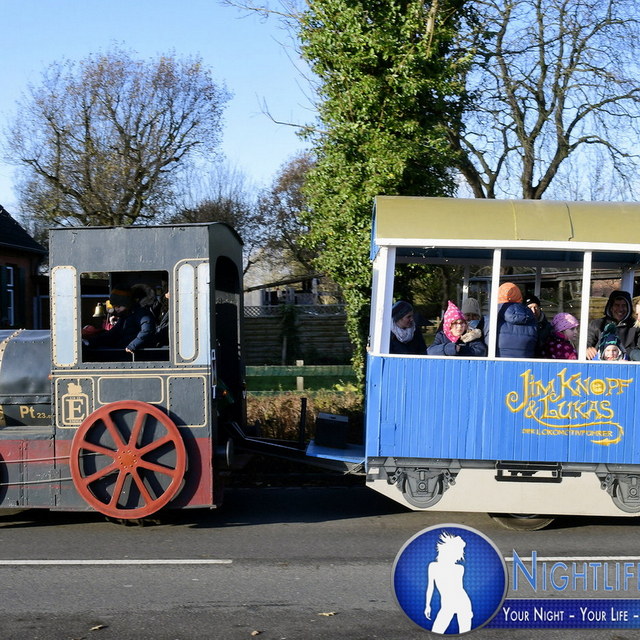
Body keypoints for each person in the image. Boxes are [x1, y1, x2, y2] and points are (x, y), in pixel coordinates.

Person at [88, 288, 156, 355]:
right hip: (126, 349)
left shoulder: (142, 314)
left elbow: (147, 330)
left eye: (119, 306)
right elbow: (113, 332)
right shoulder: (125, 316)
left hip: (135, 352)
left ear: (127, 303)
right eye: (114, 306)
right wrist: (93, 341)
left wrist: (132, 345)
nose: (116, 309)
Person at [586, 290, 639, 360]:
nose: (620, 309)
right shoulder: (597, 324)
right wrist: (586, 349)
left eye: (624, 305)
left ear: (629, 308)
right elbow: (585, 343)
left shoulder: (636, 327)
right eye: (617, 305)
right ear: (610, 307)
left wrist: (626, 356)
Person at [496, 282, 537, 358]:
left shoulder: (491, 320)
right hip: (526, 364)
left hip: (498, 363)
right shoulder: (532, 320)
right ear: (520, 298)